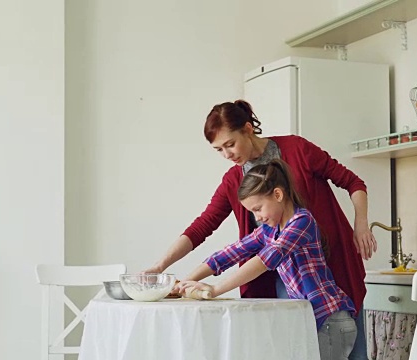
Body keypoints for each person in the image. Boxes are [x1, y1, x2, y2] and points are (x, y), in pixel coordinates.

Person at [144, 100, 376, 359]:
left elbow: (353, 181)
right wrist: (168, 269)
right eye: (218, 150)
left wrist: (361, 223)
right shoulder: (239, 189)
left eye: (230, 144)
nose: (227, 155)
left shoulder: (298, 154)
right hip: (284, 278)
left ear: (247, 129)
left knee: (354, 352)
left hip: (333, 267)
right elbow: (209, 232)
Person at [177, 159, 357, 359]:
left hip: (331, 320)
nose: (257, 217)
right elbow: (229, 254)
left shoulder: (302, 222)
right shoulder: (268, 230)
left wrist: (216, 289)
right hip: (312, 320)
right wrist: (186, 281)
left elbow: (266, 260)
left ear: (278, 195)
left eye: (258, 208)